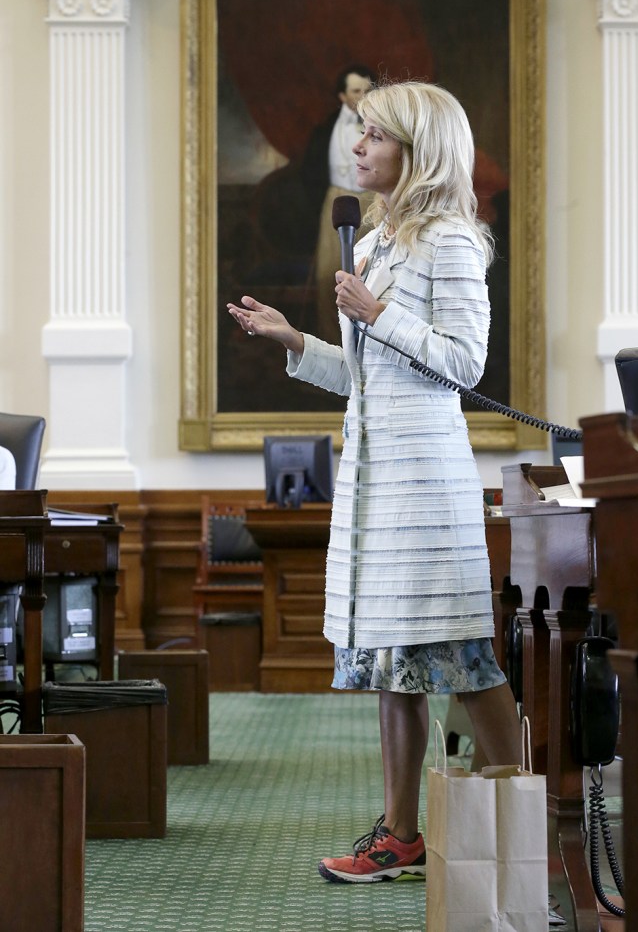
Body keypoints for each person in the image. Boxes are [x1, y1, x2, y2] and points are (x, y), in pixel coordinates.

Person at [227, 80, 522, 885]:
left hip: (426, 482)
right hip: (375, 480)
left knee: (464, 656)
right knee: (395, 657)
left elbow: (465, 364)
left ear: (416, 152)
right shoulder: (380, 244)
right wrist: (297, 339)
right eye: (358, 133)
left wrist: (374, 312)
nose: (355, 147)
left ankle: (536, 818)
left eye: (374, 136)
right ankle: (400, 835)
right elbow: (370, 378)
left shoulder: (453, 241)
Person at [301, 64, 376, 343]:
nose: (362, 96)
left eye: (367, 90)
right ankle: (334, 346)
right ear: (342, 96)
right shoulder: (324, 130)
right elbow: (310, 174)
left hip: (372, 204)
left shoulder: (380, 128)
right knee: (328, 276)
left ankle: (366, 347)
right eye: (356, 91)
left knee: (368, 274)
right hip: (335, 201)